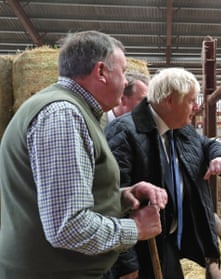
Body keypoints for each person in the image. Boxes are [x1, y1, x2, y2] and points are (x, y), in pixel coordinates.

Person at [0, 30, 168, 279]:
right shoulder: (63, 115)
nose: (125, 83)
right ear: (101, 72)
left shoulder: (76, 111)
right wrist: (136, 228)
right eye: (122, 72)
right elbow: (67, 227)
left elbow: (62, 198)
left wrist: (121, 197)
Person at [105, 67, 221, 278]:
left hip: (166, 240)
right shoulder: (124, 132)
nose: (196, 107)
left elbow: (205, 143)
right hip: (140, 246)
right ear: (169, 101)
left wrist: (220, 154)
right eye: (191, 100)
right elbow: (111, 200)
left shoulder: (179, 128)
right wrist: (126, 264)